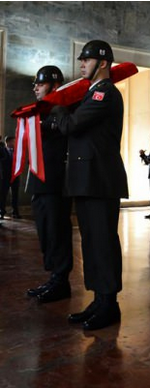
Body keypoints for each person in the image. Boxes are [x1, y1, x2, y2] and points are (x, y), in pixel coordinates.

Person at [51, 40, 128, 330]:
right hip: (86, 179)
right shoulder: (91, 94)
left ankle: (110, 304)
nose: (81, 64)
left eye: (86, 60)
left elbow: (71, 126)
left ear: (103, 63)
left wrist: (58, 106)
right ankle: (99, 300)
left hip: (100, 179)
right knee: (91, 243)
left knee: (103, 242)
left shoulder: (104, 94)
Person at [25, 65, 73, 304]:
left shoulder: (63, 107)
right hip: (39, 180)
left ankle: (61, 280)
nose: (35, 87)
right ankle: (53, 276)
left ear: (54, 86)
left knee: (57, 231)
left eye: (40, 84)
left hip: (56, 180)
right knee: (45, 231)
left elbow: (66, 131)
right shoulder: (39, 110)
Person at [0, 136, 21, 219]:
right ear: (8, 142)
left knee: (15, 195)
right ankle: (2, 212)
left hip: (15, 176)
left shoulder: (17, 151)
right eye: (13, 141)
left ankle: (15, 212)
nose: (14, 143)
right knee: (3, 195)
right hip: (5, 177)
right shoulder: (2, 150)